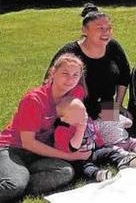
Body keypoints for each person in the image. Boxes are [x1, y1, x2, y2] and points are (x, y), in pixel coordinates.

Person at [0, 54, 89, 201]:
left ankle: (18, 177)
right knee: (14, 185)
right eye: (65, 73)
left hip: (39, 154)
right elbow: (28, 142)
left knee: (65, 172)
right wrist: (69, 156)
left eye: (75, 75)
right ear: (53, 72)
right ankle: (15, 180)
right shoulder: (34, 100)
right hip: (13, 148)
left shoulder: (75, 94)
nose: (70, 79)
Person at [49, 3, 130, 121]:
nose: (105, 32)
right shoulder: (70, 53)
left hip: (106, 106)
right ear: (84, 30)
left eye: (108, 28)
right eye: (100, 28)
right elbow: (50, 83)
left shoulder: (113, 47)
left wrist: (118, 105)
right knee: (83, 137)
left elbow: (124, 75)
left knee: (121, 130)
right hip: (75, 109)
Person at [53, 98, 136, 182]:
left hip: (93, 152)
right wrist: (80, 129)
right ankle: (97, 174)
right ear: (64, 119)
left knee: (109, 151)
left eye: (84, 111)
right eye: (78, 114)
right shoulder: (62, 130)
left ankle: (121, 161)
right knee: (84, 166)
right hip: (76, 158)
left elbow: (95, 134)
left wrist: (101, 145)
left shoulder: (87, 120)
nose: (84, 116)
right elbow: (73, 147)